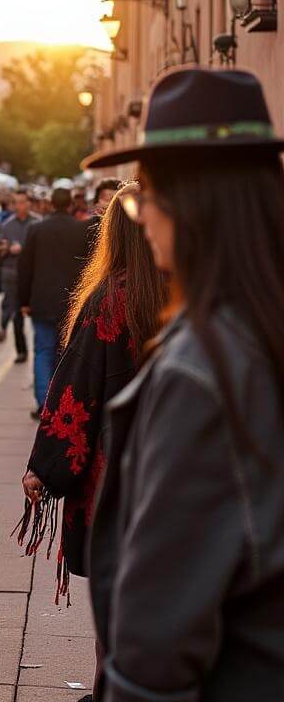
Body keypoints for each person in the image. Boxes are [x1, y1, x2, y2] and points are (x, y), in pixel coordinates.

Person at [83, 67, 284, 702]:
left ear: (188, 205)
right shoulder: (260, 328)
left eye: (146, 196)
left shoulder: (204, 370)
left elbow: (155, 647)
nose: (140, 218)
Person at [17, 182, 165, 696]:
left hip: (117, 469)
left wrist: (45, 466)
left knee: (116, 587)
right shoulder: (188, 292)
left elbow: (76, 389)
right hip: (176, 462)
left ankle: (113, 685)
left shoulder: (110, 297)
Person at [18, 186, 90, 418]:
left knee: (42, 351)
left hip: (42, 300)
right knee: (66, 353)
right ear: (70, 204)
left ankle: (43, 403)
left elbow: (25, 268)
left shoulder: (36, 229)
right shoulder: (80, 229)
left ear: (50, 203)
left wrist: (24, 299)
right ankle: (62, 402)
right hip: (72, 301)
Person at [0, 189, 38, 364]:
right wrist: (6, 249)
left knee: (37, 315)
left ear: (29, 203)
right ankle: (21, 351)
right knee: (16, 313)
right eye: (16, 202)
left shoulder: (37, 223)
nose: (19, 206)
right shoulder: (7, 225)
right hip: (12, 274)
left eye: (23, 202)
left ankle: (40, 350)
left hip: (34, 275)